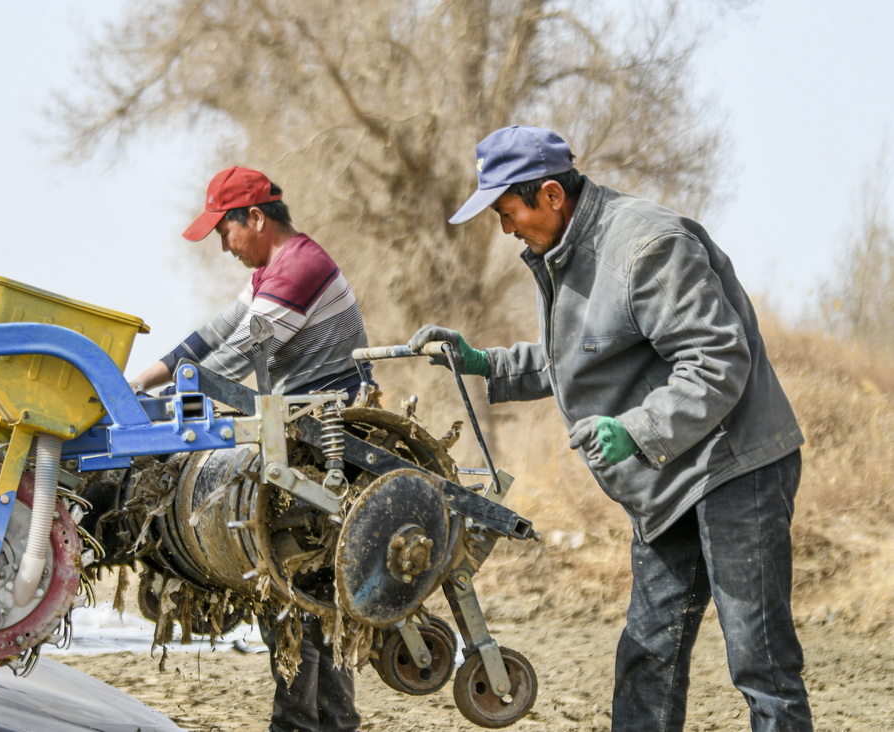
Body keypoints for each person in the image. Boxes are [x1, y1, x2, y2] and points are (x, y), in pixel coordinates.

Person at [409, 126, 812, 731]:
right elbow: (579, 357)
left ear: (550, 194)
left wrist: (638, 430)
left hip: (735, 467)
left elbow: (719, 362)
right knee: (648, 655)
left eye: (507, 210)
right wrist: (482, 362)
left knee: (761, 663)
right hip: (670, 481)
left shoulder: (647, 245)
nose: (506, 228)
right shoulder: (567, 254)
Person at [132, 166, 369, 732]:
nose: (222, 244)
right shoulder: (272, 271)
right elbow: (215, 331)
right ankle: (332, 722)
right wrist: (143, 381)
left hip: (325, 441)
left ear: (255, 218)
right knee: (308, 588)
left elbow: (239, 353)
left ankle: (301, 724)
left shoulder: (301, 267)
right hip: (298, 428)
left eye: (224, 231)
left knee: (295, 585)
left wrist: (178, 395)